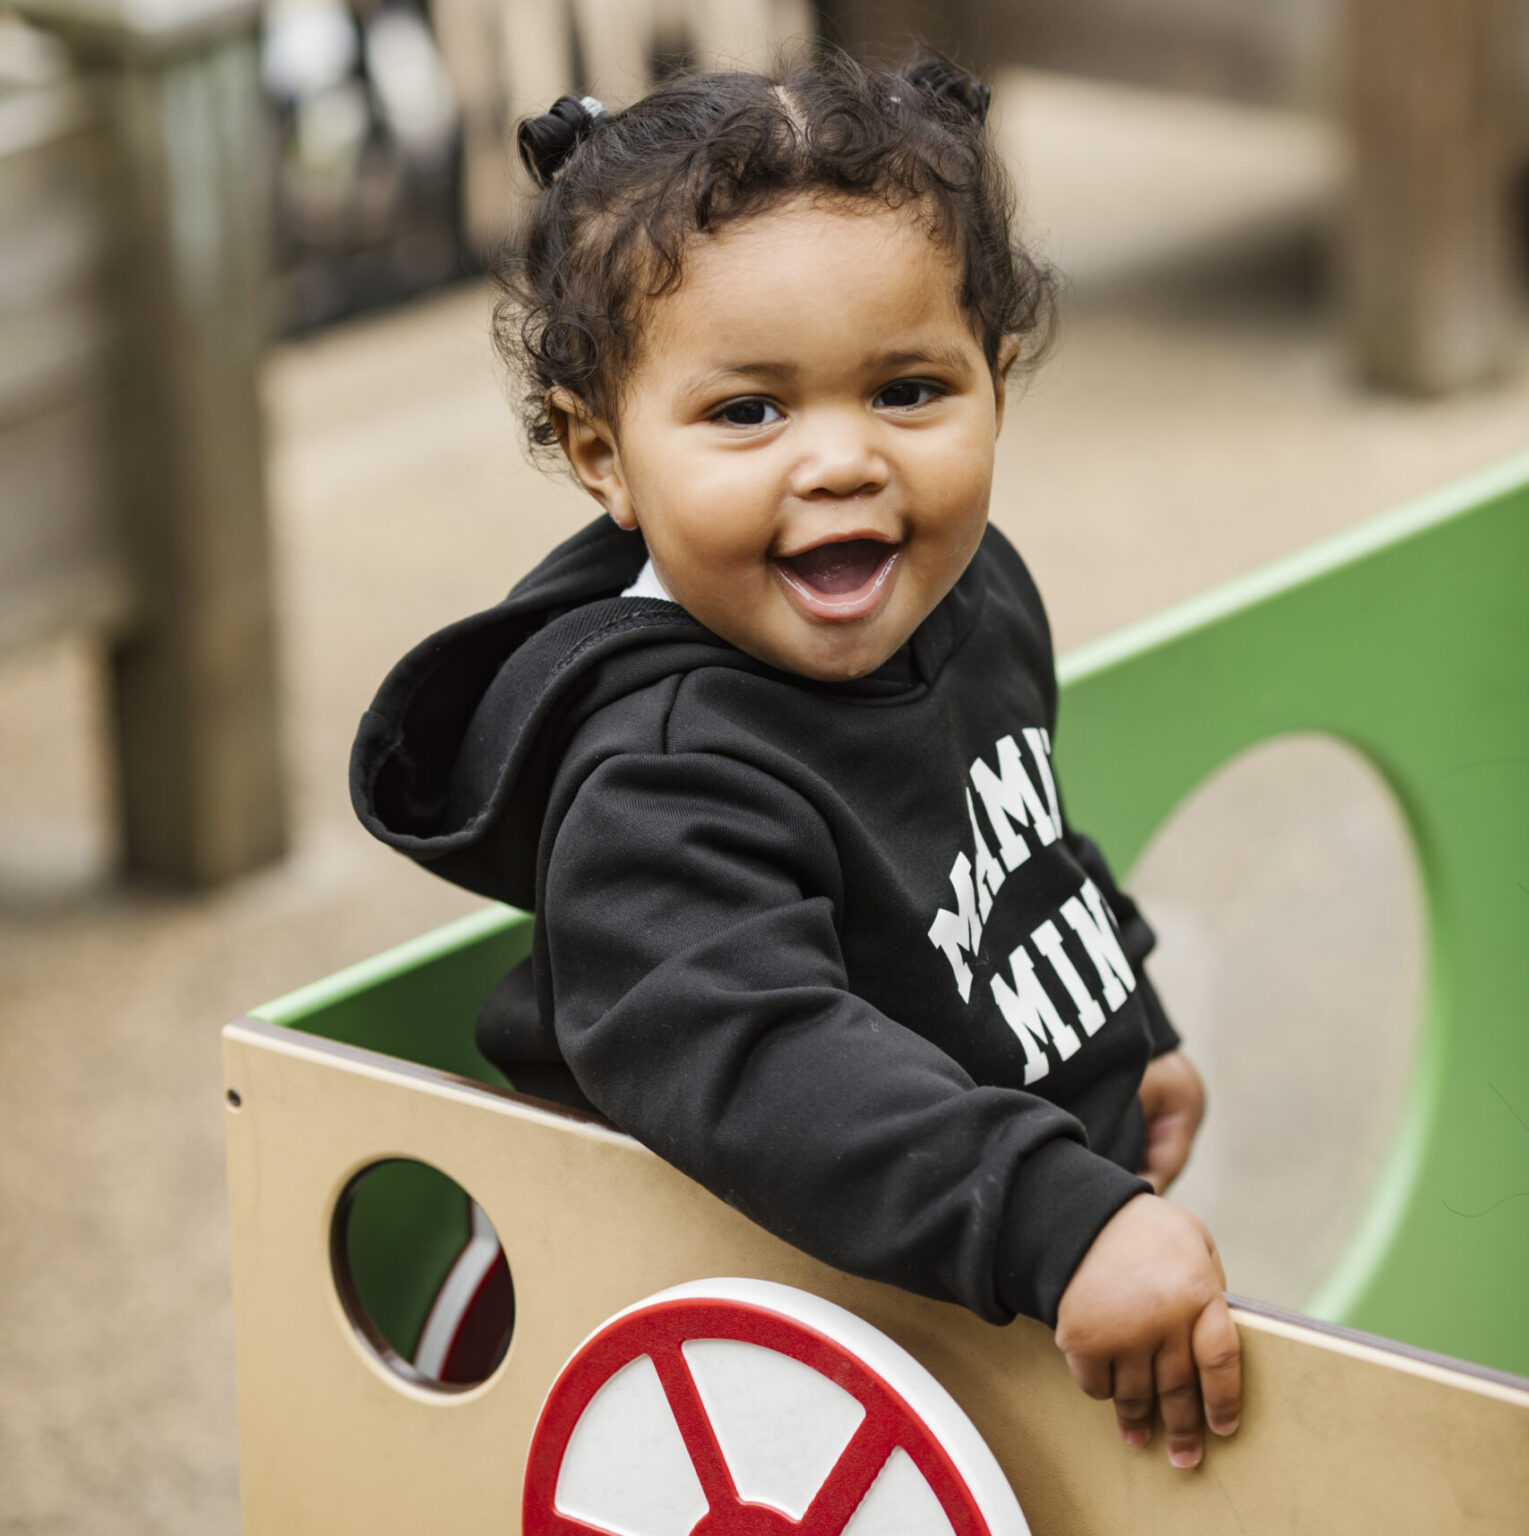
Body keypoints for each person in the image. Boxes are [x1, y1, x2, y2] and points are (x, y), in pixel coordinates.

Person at [351, 50, 1241, 1469]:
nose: (838, 461)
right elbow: (763, 1058)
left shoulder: (973, 593)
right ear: (604, 455)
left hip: (927, 1256)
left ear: (993, 384)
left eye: (904, 391)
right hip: (694, 1312)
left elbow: (1007, 832)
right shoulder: (662, 771)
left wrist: (1113, 1005)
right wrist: (1050, 1216)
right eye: (746, 412)